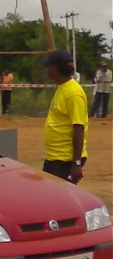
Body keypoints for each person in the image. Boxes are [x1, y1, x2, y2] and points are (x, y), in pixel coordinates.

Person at [41, 50, 88, 184]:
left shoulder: (73, 93)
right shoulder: (62, 88)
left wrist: (76, 163)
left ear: (55, 69)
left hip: (65, 159)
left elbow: (79, 128)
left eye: (49, 67)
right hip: (55, 156)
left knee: (58, 199)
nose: (47, 70)